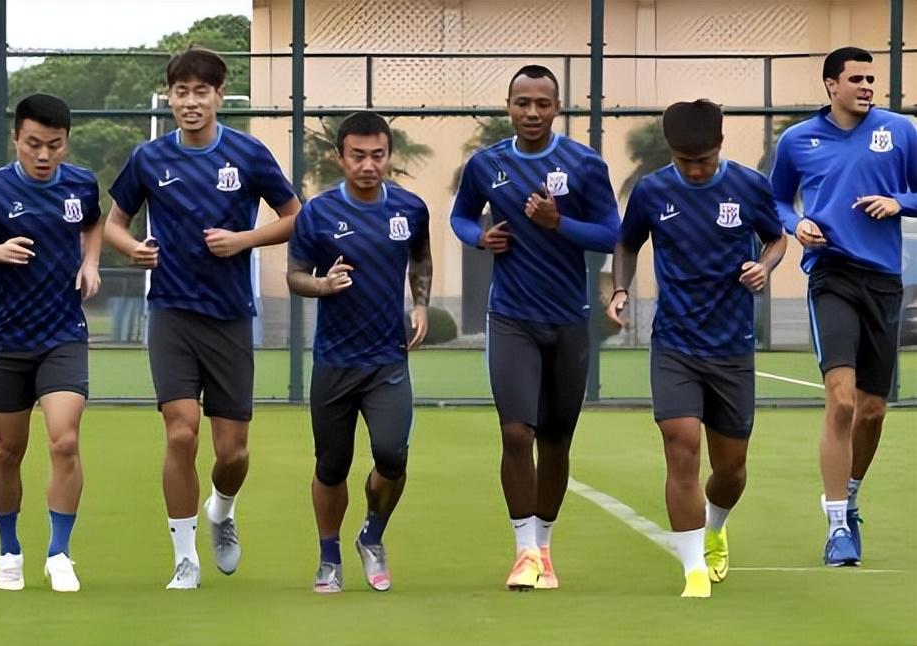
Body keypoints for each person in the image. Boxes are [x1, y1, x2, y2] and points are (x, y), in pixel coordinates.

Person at [103, 48, 300, 589]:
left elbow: (294, 217)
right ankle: (184, 558)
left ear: (219, 96)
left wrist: (244, 240)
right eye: (181, 92)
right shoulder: (148, 158)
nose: (191, 102)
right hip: (171, 313)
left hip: (230, 316)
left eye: (201, 92)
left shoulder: (249, 154)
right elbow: (113, 223)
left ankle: (222, 508)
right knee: (182, 432)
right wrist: (132, 248)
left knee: (232, 453)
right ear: (170, 97)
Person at [607, 100, 787, 597]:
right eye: (684, 161)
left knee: (730, 470)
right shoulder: (652, 191)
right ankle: (693, 570)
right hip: (675, 344)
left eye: (703, 160)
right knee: (681, 446)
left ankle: (715, 526)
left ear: (720, 146)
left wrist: (764, 266)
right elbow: (626, 244)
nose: (694, 170)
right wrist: (620, 290)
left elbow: (776, 239)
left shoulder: (749, 186)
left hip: (731, 347)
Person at [450, 65, 619, 591]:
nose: (531, 112)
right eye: (522, 103)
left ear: (557, 108)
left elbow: (610, 233)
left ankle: (544, 547)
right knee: (515, 432)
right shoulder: (487, 164)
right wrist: (479, 238)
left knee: (557, 441)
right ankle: (523, 551)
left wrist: (557, 222)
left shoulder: (585, 164)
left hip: (569, 320)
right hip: (511, 318)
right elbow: (460, 216)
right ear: (508, 106)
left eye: (542, 104)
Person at [0, 94, 103, 593]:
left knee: (65, 440)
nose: (43, 154)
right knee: (7, 450)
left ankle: (60, 553)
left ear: (66, 142)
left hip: (64, 335)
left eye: (54, 144)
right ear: (15, 139)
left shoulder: (81, 184)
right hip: (9, 340)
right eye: (33, 143)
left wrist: (90, 262)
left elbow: (94, 221)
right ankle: (9, 551)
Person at [769, 46, 917, 566]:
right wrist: (797, 225)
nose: (867, 87)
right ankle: (836, 526)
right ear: (831, 84)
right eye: (856, 79)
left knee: (872, 411)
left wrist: (901, 202)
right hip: (831, 275)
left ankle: (850, 498)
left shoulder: (899, 131)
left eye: (871, 79)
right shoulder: (797, 140)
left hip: (884, 281)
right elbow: (776, 200)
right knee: (842, 399)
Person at [287, 111, 432, 593]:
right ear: (340, 158)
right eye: (358, 156)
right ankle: (328, 558)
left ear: (388, 156)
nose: (368, 165)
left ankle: (372, 535)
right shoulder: (317, 213)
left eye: (377, 155)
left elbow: (420, 258)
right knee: (331, 467)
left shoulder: (410, 209)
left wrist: (421, 303)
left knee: (392, 457)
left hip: (387, 361)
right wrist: (322, 285)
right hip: (334, 361)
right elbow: (295, 275)